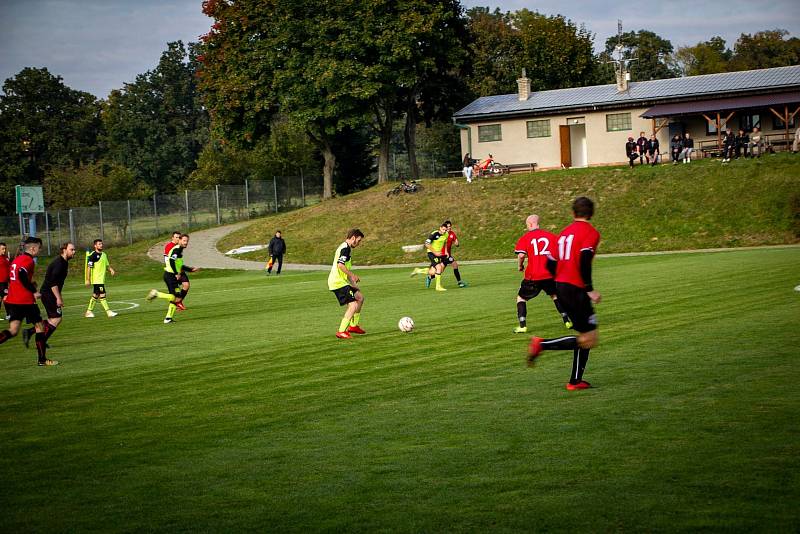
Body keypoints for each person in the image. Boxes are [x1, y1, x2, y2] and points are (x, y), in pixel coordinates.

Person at [527, 197, 601, 391]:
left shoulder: (563, 234)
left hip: (562, 286)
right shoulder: (591, 233)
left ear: (573, 213)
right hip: (576, 289)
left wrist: (559, 282)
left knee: (584, 334)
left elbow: (550, 262)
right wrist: (589, 288)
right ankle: (542, 344)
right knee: (590, 338)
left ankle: (575, 381)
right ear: (591, 214)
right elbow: (585, 259)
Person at [0, 237, 57, 366]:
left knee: (13, 330)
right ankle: (42, 360)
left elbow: (15, 276)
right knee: (40, 327)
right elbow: (21, 274)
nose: (39, 250)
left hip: (13, 300)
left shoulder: (17, 259)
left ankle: (42, 359)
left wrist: (30, 283)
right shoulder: (28, 260)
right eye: (39, 248)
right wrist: (33, 290)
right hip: (25, 301)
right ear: (33, 248)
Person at [513, 214, 572, 334]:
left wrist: (520, 266)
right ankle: (567, 321)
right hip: (549, 274)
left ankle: (522, 326)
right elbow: (560, 253)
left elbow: (521, 255)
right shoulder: (550, 236)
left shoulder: (526, 237)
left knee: (521, 298)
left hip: (533, 275)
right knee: (555, 295)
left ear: (529, 224)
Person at [22, 242, 76, 351]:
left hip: (49, 293)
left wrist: (59, 296)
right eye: (72, 250)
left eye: (74, 250)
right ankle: (41, 341)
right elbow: (53, 283)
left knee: (53, 319)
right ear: (64, 250)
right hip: (49, 293)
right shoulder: (59, 263)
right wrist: (58, 298)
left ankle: (30, 332)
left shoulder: (64, 262)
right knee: (56, 319)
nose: (74, 252)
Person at [147, 233, 199, 324]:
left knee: (177, 298)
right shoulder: (177, 249)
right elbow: (171, 260)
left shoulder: (180, 249)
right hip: (170, 276)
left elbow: (179, 264)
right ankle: (156, 294)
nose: (186, 242)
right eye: (184, 240)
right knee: (174, 297)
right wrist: (176, 273)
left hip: (171, 276)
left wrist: (190, 270)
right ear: (179, 240)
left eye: (187, 241)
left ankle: (168, 318)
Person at [328, 229, 365, 339]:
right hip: (337, 282)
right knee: (353, 305)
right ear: (353, 238)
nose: (359, 243)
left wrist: (353, 284)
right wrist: (353, 275)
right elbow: (340, 265)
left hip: (341, 281)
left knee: (360, 297)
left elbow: (345, 269)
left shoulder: (346, 248)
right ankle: (341, 331)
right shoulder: (345, 249)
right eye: (358, 241)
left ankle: (353, 326)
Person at [410, 222, 449, 291]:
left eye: (445, 230)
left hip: (438, 254)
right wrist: (435, 252)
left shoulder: (446, 234)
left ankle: (418, 270)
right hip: (431, 253)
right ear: (440, 228)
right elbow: (427, 244)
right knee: (439, 268)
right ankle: (438, 287)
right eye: (443, 229)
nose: (444, 231)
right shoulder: (434, 234)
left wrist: (446, 251)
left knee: (432, 272)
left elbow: (445, 242)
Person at [84, 239, 117, 318]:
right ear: (95, 246)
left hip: (101, 279)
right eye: (99, 244)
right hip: (96, 280)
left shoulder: (104, 255)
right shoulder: (93, 255)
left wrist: (111, 270)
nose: (101, 245)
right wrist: (88, 279)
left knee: (95, 295)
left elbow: (107, 265)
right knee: (102, 294)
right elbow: (88, 268)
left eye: (101, 244)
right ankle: (108, 312)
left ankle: (88, 312)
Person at [164, 231, 190, 310]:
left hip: (179, 270)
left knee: (186, 285)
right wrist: (175, 272)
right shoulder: (170, 246)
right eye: (176, 237)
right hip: (173, 271)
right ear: (172, 238)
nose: (178, 239)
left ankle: (179, 302)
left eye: (179, 237)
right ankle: (176, 303)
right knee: (174, 292)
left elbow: (178, 260)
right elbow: (169, 260)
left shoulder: (180, 246)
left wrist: (189, 269)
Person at [441, 221, 467, 288]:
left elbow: (456, 242)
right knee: (454, 264)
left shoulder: (452, 233)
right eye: (447, 226)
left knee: (440, 271)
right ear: (445, 227)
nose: (449, 228)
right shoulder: (443, 234)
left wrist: (457, 243)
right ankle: (459, 282)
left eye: (450, 226)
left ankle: (430, 277)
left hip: (448, 254)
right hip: (443, 255)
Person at [0, 242, 9, 320]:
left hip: (5, 281)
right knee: (6, 297)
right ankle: (8, 314)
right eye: (3, 249)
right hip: (1, 282)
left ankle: (8, 314)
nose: (4, 250)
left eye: (5, 248)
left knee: (2, 298)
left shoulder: (5, 257)